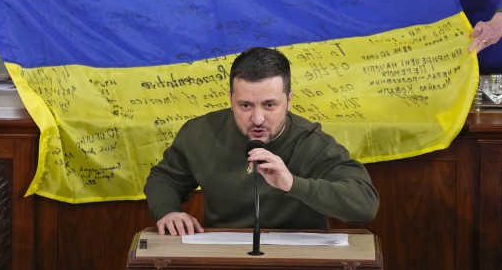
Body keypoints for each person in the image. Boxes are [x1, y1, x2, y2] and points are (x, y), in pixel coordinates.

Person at [144, 47, 379, 236]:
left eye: (270, 105)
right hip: (222, 252)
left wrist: (292, 184)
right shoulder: (200, 133)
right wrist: (169, 212)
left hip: (298, 255)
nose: (257, 119)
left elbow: (365, 204)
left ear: (288, 100)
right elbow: (164, 178)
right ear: (230, 99)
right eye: (245, 105)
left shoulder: (311, 142)